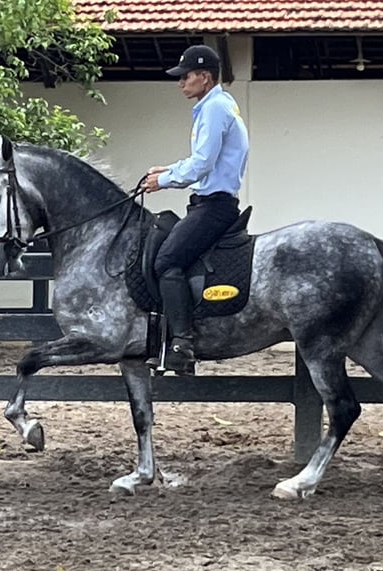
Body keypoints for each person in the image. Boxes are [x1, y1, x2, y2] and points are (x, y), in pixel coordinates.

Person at [142, 44, 250, 375]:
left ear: (204, 77)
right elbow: (202, 161)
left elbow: (202, 165)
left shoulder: (214, 108)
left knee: (167, 260)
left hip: (214, 205)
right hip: (211, 201)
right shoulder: (219, 105)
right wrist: (168, 170)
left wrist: (164, 181)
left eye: (186, 76)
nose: (181, 83)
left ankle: (182, 344)